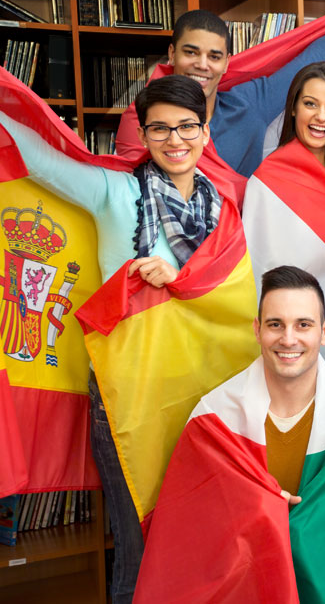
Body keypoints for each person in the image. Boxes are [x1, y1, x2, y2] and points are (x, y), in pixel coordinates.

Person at [1, 74, 222, 603]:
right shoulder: (114, 191)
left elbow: (232, 292)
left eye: (187, 127)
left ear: (206, 132)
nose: (175, 140)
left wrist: (183, 282)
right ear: (142, 137)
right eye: (160, 129)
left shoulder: (223, 207)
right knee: (137, 542)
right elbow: (36, 157)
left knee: (196, 535)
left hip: (203, 392)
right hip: (126, 392)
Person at [135, 266, 325, 603]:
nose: (288, 339)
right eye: (276, 324)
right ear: (257, 331)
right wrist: (262, 509)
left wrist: (296, 526)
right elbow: (189, 532)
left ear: (324, 332)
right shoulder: (214, 416)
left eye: (303, 325)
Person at [115, 0, 325, 178]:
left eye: (214, 56)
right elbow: (131, 196)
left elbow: (312, 60)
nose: (202, 65)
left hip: (239, 256)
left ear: (227, 63)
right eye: (191, 53)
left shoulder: (249, 104)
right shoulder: (142, 118)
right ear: (172, 54)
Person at [243, 61, 325, 371]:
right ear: (294, 108)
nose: (321, 117)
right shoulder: (268, 181)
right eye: (310, 104)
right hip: (289, 339)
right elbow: (257, 267)